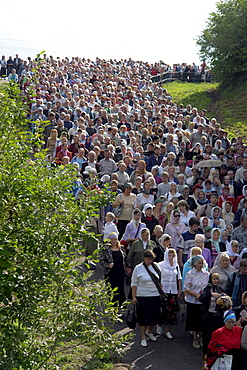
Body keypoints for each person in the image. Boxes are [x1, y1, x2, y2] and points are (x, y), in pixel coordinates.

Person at [131, 249, 162, 347]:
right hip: (142, 296)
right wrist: (133, 297)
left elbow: (160, 281)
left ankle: (149, 331)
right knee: (143, 318)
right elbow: (134, 284)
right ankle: (143, 336)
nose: (150, 261)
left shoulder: (156, 267)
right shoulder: (138, 268)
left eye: (151, 259)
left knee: (155, 317)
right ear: (144, 258)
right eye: (148, 259)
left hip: (155, 295)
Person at [184, 255, 209, 349]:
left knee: (202, 320)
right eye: (199, 263)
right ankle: (195, 338)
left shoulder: (206, 274)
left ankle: (201, 336)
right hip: (193, 300)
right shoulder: (190, 274)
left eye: (202, 263)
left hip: (203, 301)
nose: (201, 265)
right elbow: (186, 288)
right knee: (193, 320)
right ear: (194, 264)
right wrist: (197, 295)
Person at [99, 232, 131, 307]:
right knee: (112, 289)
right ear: (109, 240)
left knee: (120, 289)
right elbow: (101, 260)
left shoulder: (121, 248)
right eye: (112, 240)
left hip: (120, 272)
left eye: (115, 239)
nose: (114, 241)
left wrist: (128, 267)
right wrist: (108, 265)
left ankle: (121, 306)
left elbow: (126, 259)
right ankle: (112, 306)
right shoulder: (105, 249)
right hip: (111, 273)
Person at [199, 273, 225, 357]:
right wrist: (210, 295)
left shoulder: (219, 289)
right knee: (207, 335)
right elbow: (201, 298)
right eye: (214, 279)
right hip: (208, 315)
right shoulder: (207, 288)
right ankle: (206, 354)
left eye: (217, 279)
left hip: (216, 315)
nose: (215, 281)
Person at [158, 249, 181, 338]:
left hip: (173, 290)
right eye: (169, 256)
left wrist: (179, 290)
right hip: (164, 290)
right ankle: (159, 326)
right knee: (163, 309)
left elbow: (179, 278)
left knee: (172, 311)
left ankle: (168, 330)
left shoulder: (176, 266)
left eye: (173, 256)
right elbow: (158, 278)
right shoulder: (161, 265)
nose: (171, 258)